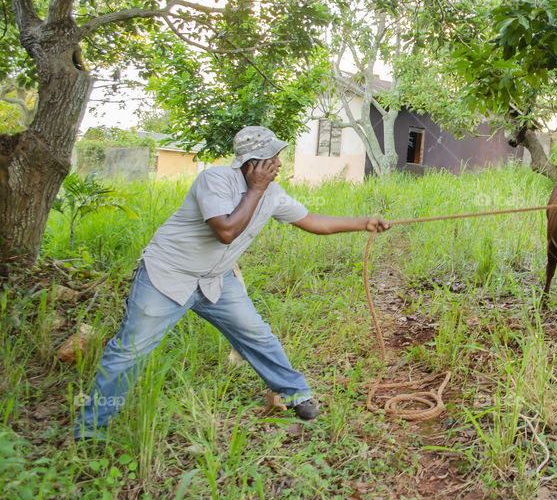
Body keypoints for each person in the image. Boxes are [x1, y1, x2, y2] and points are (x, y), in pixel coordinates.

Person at [74, 126, 388, 441]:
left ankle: (295, 394)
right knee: (129, 351)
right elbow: (225, 231)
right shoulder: (214, 181)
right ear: (252, 164)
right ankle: (90, 429)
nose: (278, 164)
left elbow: (313, 221)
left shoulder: (272, 194)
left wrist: (363, 223)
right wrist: (255, 190)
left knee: (257, 335)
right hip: (167, 276)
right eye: (272, 159)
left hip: (215, 279)